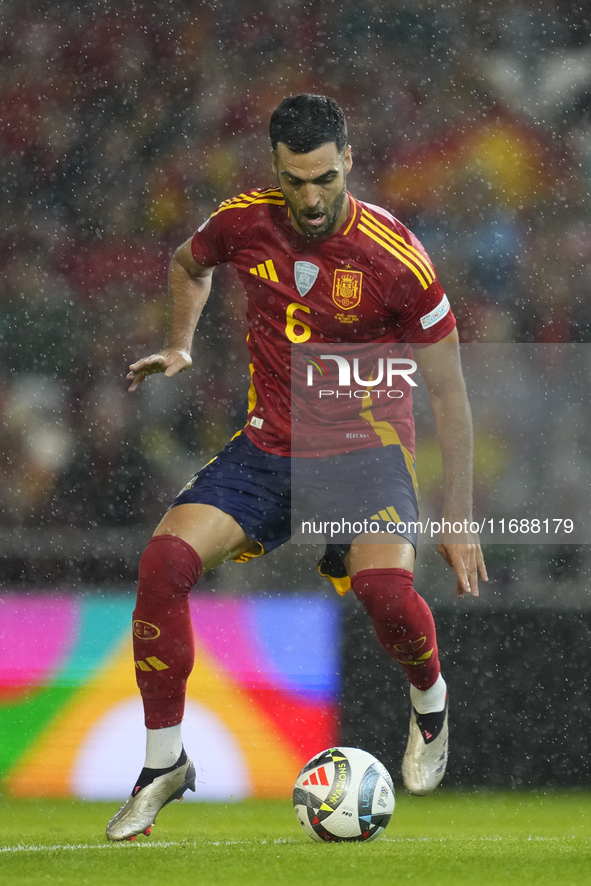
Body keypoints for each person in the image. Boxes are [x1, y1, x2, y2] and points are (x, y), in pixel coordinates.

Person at [106, 94, 487, 842]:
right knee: (162, 564)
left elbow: (448, 390)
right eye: (293, 181)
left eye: (322, 179)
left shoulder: (396, 256)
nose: (309, 199)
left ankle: (429, 702)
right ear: (274, 169)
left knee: (383, 592)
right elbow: (188, 263)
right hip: (269, 449)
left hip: (365, 453)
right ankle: (163, 765)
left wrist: (458, 512)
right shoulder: (244, 221)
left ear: (347, 159)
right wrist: (180, 342)